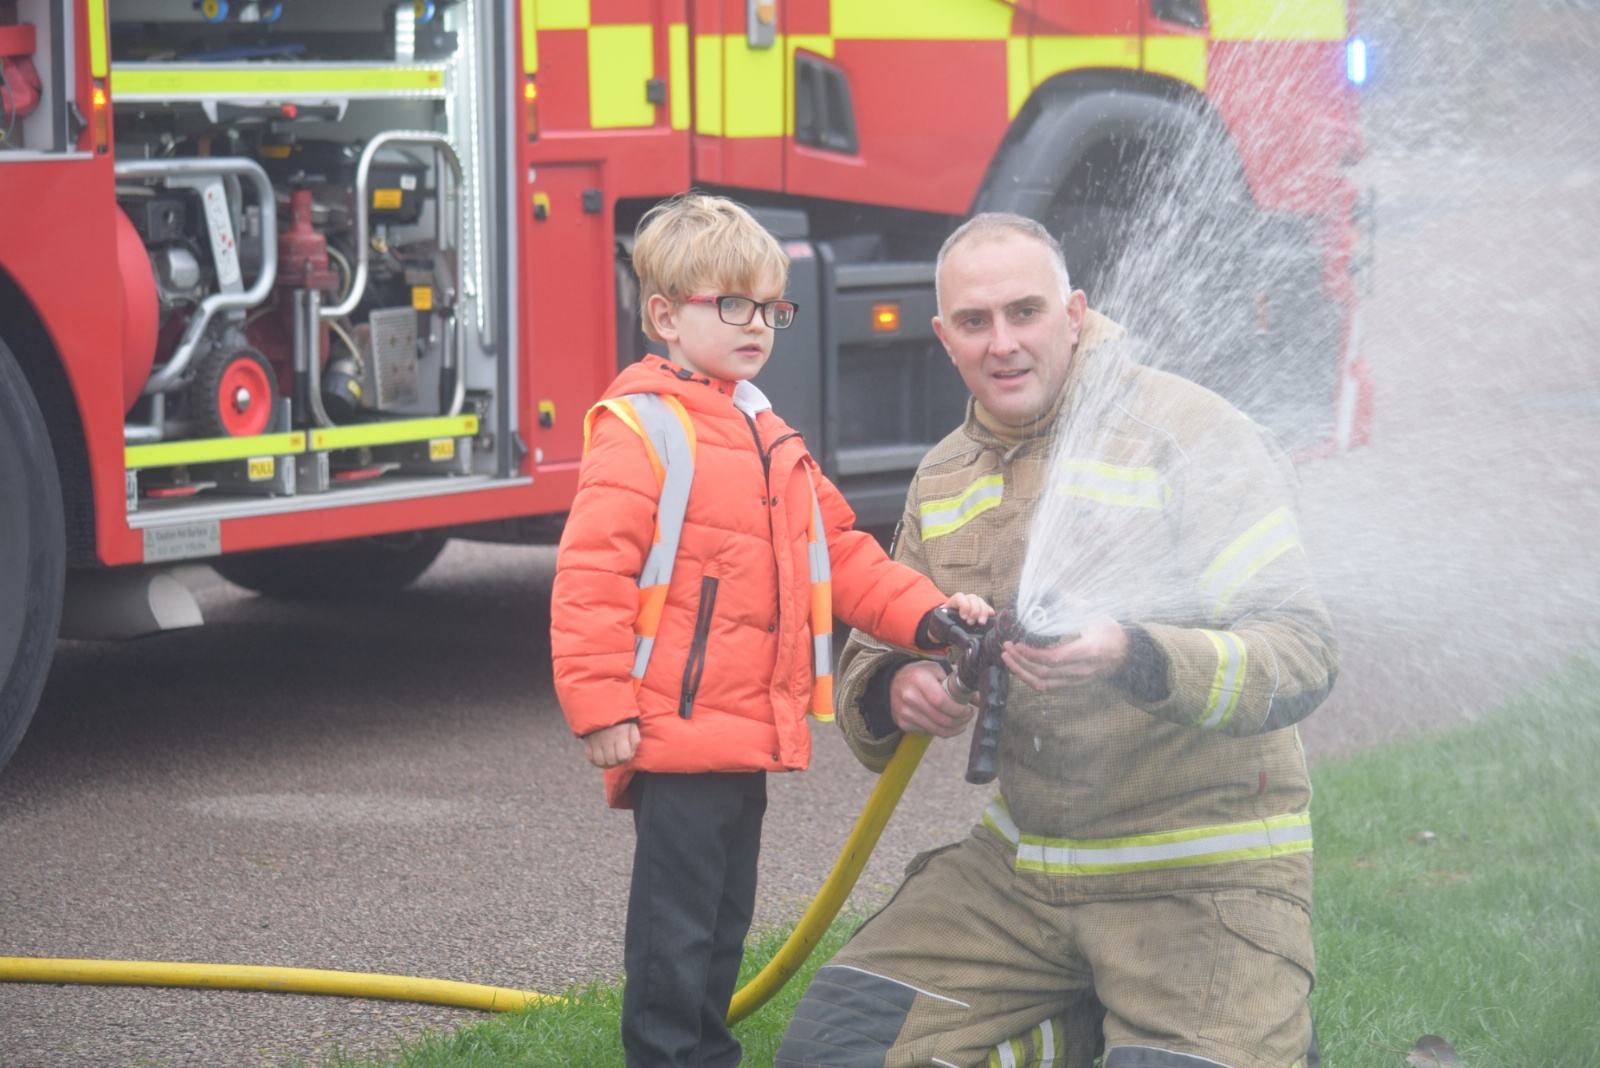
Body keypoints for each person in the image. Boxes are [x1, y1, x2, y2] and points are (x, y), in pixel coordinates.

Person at [774, 213, 1338, 1068]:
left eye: (1025, 312)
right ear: (944, 338)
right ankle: (1085, 1028)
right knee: (833, 1051)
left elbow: (1300, 652)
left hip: (1202, 870)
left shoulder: (1190, 434)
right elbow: (871, 658)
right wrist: (899, 688)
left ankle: (1206, 1029)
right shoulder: (943, 476)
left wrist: (1133, 652)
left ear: (1073, 315)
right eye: (975, 322)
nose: (1002, 343)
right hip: (1023, 874)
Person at [550, 193, 993, 1068]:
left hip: (742, 736)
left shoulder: (766, 432)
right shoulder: (641, 428)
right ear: (665, 317)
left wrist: (930, 616)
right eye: (732, 304)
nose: (757, 324)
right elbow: (590, 578)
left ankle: (707, 1051)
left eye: (769, 307)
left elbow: (843, 553)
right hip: (676, 735)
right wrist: (600, 708)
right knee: (675, 934)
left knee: (722, 924)